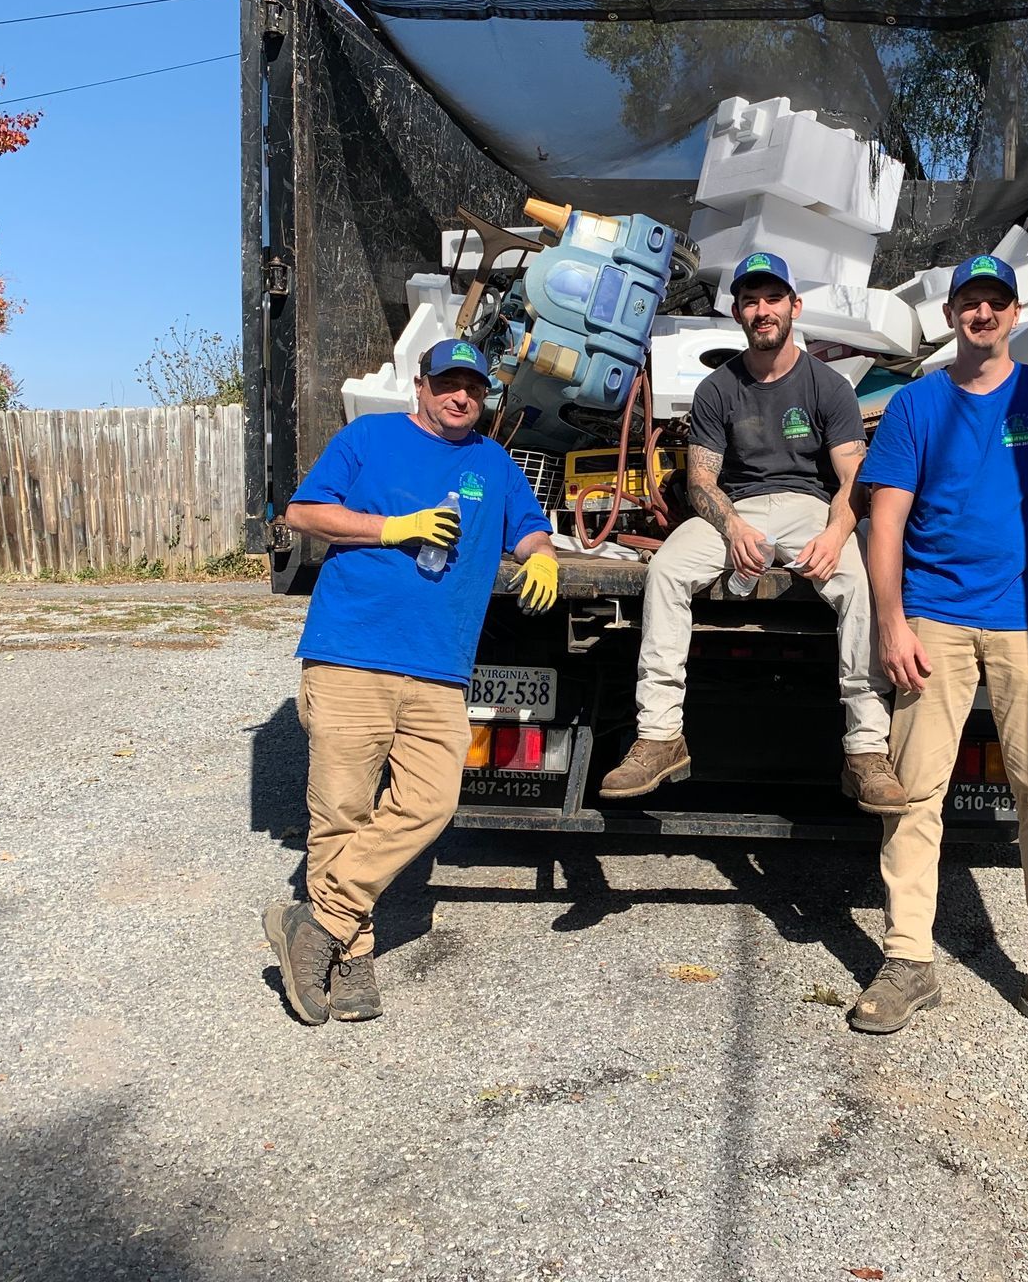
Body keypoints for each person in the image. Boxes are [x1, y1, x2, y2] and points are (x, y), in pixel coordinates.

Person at [852, 253, 1028, 1055]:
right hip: (932, 616)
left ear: (1014, 313)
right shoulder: (914, 406)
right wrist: (890, 623)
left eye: (995, 302)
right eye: (968, 301)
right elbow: (886, 521)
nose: (981, 314)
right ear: (950, 315)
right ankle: (907, 962)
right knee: (913, 794)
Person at [262, 338, 559, 1026]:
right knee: (342, 811)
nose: (461, 397)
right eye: (449, 383)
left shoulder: (494, 462)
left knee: (430, 804)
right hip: (351, 654)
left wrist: (540, 556)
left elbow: (530, 528)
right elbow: (304, 514)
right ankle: (352, 953)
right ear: (420, 385)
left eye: (474, 388)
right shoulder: (370, 437)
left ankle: (317, 924)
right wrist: (394, 526)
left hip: (439, 668)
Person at [599, 252, 905, 811]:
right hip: (735, 508)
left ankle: (865, 751)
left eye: (772, 299)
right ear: (737, 313)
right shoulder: (717, 388)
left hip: (809, 507)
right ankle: (660, 737)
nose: (762, 310)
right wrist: (732, 524)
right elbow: (700, 482)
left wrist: (837, 536)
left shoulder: (829, 386)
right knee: (666, 570)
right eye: (750, 301)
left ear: (794, 306)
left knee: (859, 581)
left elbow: (852, 479)